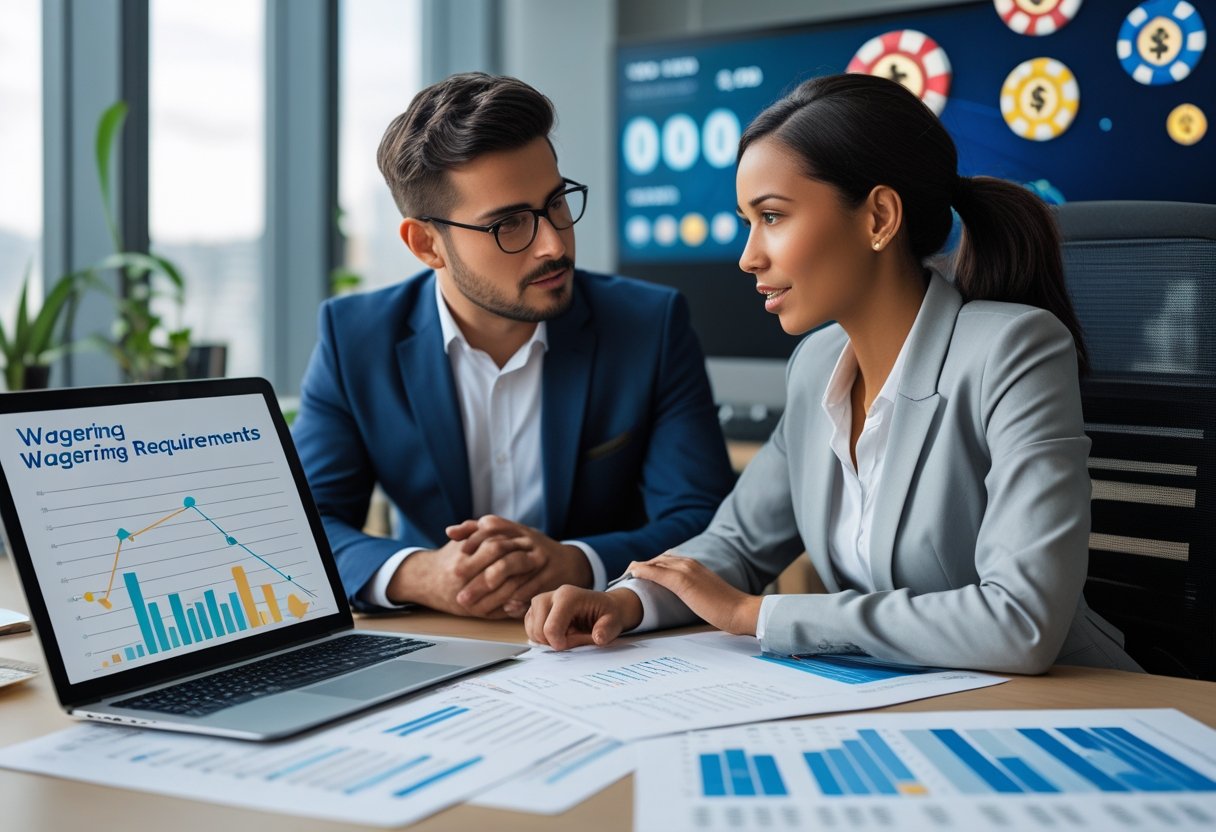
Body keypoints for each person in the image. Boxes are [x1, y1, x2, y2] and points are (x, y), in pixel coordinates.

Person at [524, 73, 1142, 675]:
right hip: (906, 703)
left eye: (772, 217)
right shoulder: (817, 365)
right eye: (747, 222)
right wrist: (626, 601)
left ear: (878, 218)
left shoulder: (1013, 350)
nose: (748, 257)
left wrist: (756, 615)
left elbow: (1020, 620)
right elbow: (736, 543)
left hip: (1072, 709)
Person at [293, 73, 735, 618]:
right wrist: (422, 575)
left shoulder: (649, 325)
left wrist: (578, 562)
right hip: (441, 635)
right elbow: (304, 524)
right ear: (426, 244)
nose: (553, 244)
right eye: (509, 224)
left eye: (557, 203)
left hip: (601, 637)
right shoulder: (355, 338)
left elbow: (703, 517)